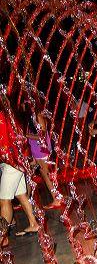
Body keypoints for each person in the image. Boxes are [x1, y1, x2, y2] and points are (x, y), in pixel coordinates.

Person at [0, 98, 40, 247]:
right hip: (16, 162)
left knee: (4, 200)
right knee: (21, 195)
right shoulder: (9, 115)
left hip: (12, 163)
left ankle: (2, 237)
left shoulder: (2, 118)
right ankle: (33, 223)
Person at [22, 101, 62, 210]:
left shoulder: (38, 116)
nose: (22, 106)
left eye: (23, 104)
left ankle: (56, 199)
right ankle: (26, 199)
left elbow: (42, 136)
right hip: (36, 151)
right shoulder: (32, 117)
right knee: (29, 173)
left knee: (46, 175)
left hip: (41, 151)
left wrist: (25, 135)